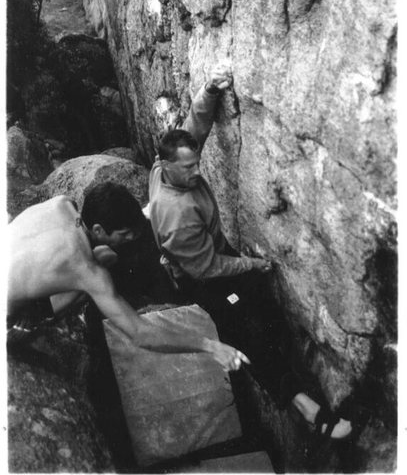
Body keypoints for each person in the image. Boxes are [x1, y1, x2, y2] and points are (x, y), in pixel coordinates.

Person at [148, 65, 353, 440]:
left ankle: (298, 384)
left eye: (196, 164)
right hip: (202, 279)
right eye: (189, 168)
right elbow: (209, 268)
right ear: (167, 168)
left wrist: (209, 91)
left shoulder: (166, 168)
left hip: (212, 255)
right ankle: (308, 410)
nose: (196, 171)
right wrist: (253, 264)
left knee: (262, 314)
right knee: (249, 333)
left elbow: (195, 126)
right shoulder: (177, 215)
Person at [7, 182, 249, 373]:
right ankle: (44, 320)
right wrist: (210, 346)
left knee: (104, 257)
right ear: (99, 229)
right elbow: (141, 334)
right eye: (125, 234)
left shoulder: (62, 204)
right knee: (97, 275)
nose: (132, 238)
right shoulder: (85, 270)